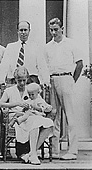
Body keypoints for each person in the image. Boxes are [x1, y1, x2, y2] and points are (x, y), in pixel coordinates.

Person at [44, 18, 83, 160]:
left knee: (70, 116)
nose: (53, 32)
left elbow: (79, 64)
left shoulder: (71, 44)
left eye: (56, 29)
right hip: (52, 80)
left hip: (67, 78)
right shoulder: (47, 46)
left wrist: (72, 80)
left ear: (62, 28)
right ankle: (54, 151)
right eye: (51, 30)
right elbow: (45, 66)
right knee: (53, 115)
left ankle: (72, 151)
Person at [0, 67, 54, 165]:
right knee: (34, 122)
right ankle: (33, 154)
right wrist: (17, 103)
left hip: (31, 115)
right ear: (15, 80)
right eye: (19, 81)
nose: (22, 83)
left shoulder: (31, 89)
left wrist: (40, 107)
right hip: (16, 117)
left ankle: (32, 152)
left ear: (27, 78)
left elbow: (39, 103)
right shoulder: (9, 91)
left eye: (24, 80)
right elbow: (0, 104)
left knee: (49, 123)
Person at [0, 21, 50, 88]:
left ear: (29, 31)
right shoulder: (11, 47)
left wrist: (46, 80)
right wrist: (1, 80)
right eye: (21, 30)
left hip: (31, 80)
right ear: (18, 31)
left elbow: (42, 66)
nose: (23, 32)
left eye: (25, 30)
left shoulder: (36, 47)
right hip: (14, 80)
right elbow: (4, 65)